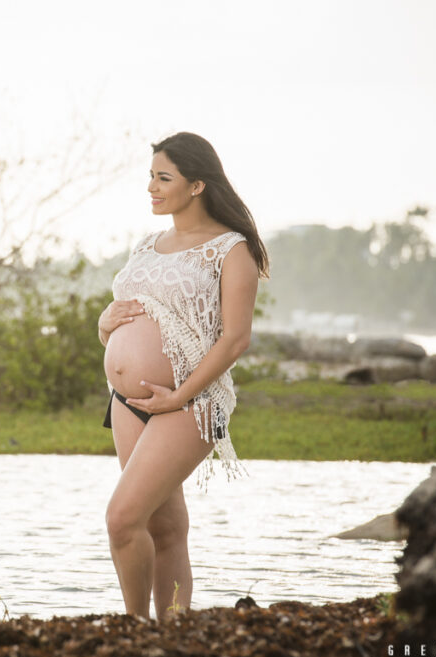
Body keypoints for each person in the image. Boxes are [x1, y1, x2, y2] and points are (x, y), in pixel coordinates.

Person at [97, 131, 270, 621]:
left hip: (192, 401)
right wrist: (102, 326)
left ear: (196, 185)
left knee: (123, 518)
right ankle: (173, 632)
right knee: (163, 527)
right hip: (127, 400)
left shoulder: (230, 249)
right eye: (150, 176)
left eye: (163, 177)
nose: (151, 187)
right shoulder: (147, 245)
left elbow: (235, 340)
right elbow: (121, 323)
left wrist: (178, 399)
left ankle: (135, 629)